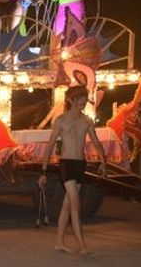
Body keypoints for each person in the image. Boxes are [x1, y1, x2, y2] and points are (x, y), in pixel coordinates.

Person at [39, 86, 107, 255]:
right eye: (79, 103)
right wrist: (44, 171)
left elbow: (96, 142)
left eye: (84, 103)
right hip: (67, 165)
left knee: (67, 206)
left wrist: (103, 162)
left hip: (80, 164)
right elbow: (49, 146)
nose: (82, 106)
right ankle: (82, 245)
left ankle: (59, 243)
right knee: (76, 206)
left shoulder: (87, 121)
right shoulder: (61, 120)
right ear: (71, 100)